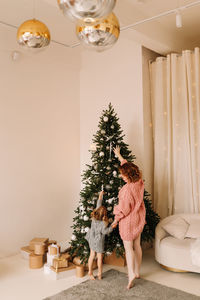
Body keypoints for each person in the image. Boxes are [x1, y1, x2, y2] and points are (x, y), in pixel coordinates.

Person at [111, 146, 146, 290]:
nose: (121, 176)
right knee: (137, 245)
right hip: (139, 218)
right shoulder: (139, 182)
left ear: (128, 175)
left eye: (123, 175)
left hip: (129, 221)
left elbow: (123, 210)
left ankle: (131, 273)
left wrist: (115, 219)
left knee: (128, 247)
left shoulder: (126, 190)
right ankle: (137, 271)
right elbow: (127, 166)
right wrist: (119, 156)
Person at [86, 190, 113, 280]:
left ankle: (90, 271)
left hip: (91, 239)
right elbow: (106, 231)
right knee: (99, 258)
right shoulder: (103, 223)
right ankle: (99, 274)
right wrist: (112, 226)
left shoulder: (94, 217)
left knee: (91, 255)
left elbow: (99, 203)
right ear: (104, 215)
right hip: (99, 242)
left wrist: (100, 195)